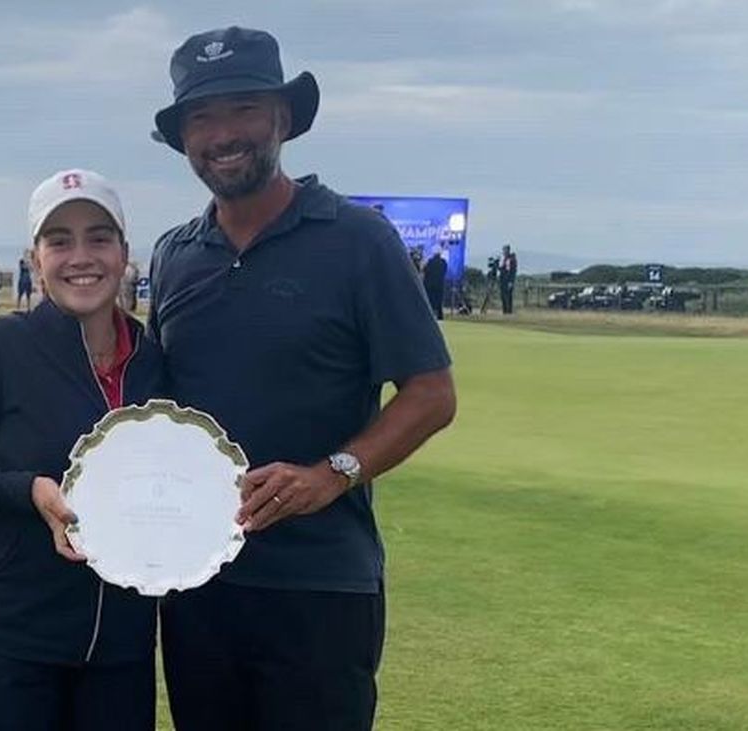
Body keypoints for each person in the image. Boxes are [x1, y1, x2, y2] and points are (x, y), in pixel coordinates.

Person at [147, 27, 457, 731]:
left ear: (283, 120)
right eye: (202, 117)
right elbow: (160, 409)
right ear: (184, 140)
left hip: (321, 584)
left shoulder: (357, 239)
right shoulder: (174, 255)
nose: (224, 134)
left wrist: (334, 471)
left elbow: (432, 392)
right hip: (198, 583)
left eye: (245, 109)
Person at [0, 169, 163, 731]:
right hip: (8, 643)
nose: (81, 256)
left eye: (99, 237)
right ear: (35, 257)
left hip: (121, 650)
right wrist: (29, 490)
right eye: (59, 240)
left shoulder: (154, 360)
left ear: (123, 253)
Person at [422, 247, 447, 320]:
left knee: (429, 303)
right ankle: (440, 318)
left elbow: (424, 271)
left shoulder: (429, 262)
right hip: (439, 286)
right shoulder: (443, 263)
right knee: (438, 304)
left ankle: (428, 318)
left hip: (429, 286)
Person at [499, 243, 518, 315]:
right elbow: (502, 269)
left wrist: (511, 281)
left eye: (505, 250)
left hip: (508, 280)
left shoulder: (511, 259)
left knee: (508, 296)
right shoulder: (504, 259)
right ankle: (505, 311)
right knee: (503, 296)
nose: (503, 252)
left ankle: (508, 311)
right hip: (503, 280)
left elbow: (512, 271)